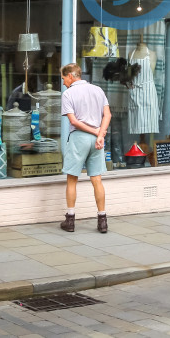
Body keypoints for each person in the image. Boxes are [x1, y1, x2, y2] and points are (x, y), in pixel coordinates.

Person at [59, 63, 112, 233]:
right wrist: (100, 134)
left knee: (72, 179)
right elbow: (107, 114)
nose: (63, 83)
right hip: (97, 140)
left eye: (63, 79)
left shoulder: (68, 94)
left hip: (79, 139)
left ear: (70, 76)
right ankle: (102, 221)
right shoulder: (98, 90)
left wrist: (96, 131)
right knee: (97, 180)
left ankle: (70, 220)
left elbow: (74, 121)